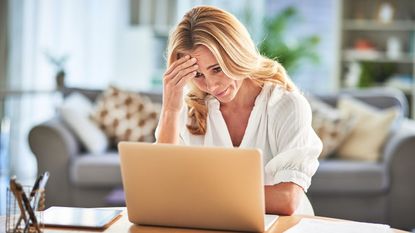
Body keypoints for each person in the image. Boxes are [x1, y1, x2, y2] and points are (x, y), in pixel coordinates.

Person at [156, 5, 322, 216]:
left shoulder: (286, 106)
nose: (212, 86)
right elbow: (161, 189)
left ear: (237, 53)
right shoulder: (189, 110)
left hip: (281, 225)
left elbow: (286, 199)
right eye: (198, 75)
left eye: (217, 69)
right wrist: (170, 109)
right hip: (216, 223)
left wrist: (196, 196)